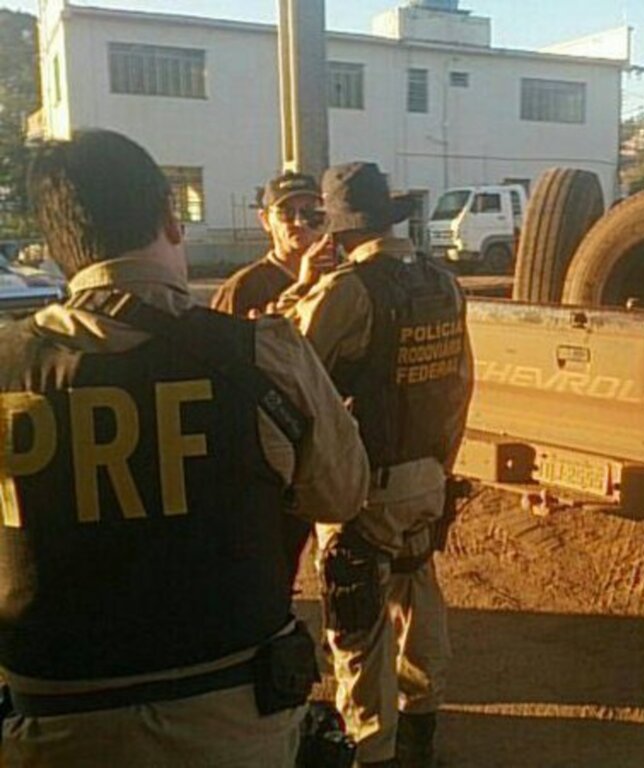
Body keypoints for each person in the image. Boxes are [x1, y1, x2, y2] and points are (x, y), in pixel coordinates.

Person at [0, 129, 369, 767]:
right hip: (235, 730)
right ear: (172, 221)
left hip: (52, 734)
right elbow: (342, 494)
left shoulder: (8, 367)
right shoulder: (263, 354)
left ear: (58, 248)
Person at [276, 162, 472, 768]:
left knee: (358, 627)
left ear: (337, 230)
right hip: (427, 478)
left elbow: (286, 361)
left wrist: (298, 287)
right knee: (419, 602)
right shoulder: (444, 285)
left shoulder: (347, 291)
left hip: (364, 488)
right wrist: (439, 468)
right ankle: (420, 737)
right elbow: (460, 386)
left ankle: (374, 753)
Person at [210, 170, 322, 317]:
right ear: (265, 220)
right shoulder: (241, 289)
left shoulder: (336, 280)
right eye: (286, 213)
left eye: (309, 212)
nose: (299, 222)